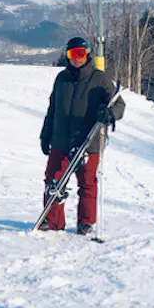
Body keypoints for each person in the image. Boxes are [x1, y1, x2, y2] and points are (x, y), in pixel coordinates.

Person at [38, 36, 125, 235]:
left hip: (88, 141)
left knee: (87, 183)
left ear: (87, 55)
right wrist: (45, 135)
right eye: (72, 54)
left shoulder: (100, 79)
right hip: (60, 140)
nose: (76, 58)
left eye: (80, 54)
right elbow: (53, 109)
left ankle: (86, 222)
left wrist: (109, 114)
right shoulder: (61, 79)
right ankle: (52, 221)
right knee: (53, 180)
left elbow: (119, 105)